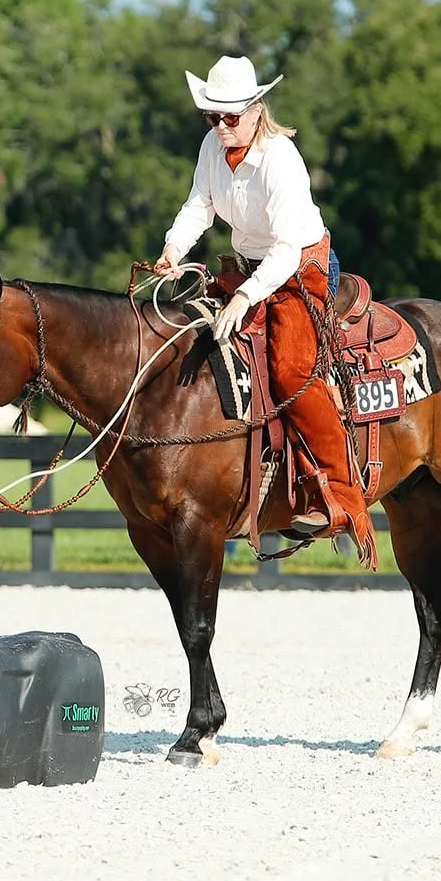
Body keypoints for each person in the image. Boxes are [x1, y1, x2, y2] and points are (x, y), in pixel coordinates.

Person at [154, 54, 376, 569]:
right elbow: (199, 205)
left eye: (231, 117)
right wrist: (173, 251)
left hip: (299, 268)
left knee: (291, 369)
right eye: (213, 117)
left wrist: (244, 296)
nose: (221, 126)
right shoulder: (214, 147)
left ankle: (340, 496)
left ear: (256, 110)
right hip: (251, 268)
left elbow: (285, 249)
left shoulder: (281, 159)